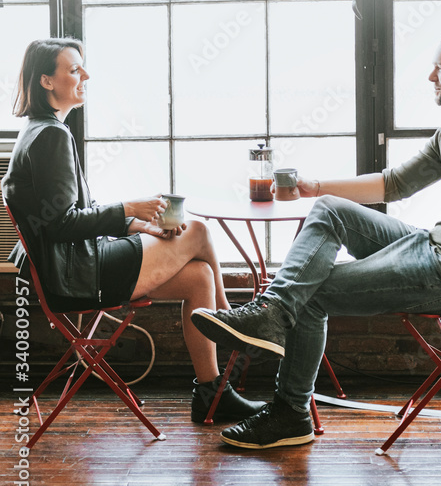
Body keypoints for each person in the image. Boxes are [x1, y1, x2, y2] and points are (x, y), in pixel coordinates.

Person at [191, 26, 441, 449]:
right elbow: (392, 185)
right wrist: (315, 185)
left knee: (310, 293)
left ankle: (289, 412)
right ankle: (273, 312)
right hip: (431, 247)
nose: (431, 78)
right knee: (328, 209)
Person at [3, 38, 265, 424]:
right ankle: (233, 322)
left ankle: (212, 393)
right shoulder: (52, 137)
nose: (85, 75)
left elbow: (71, 213)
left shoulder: (37, 131)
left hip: (70, 270)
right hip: (76, 276)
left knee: (199, 277)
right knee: (198, 232)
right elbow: (60, 224)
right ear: (46, 81)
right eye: (74, 70)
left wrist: (135, 223)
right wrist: (128, 208)